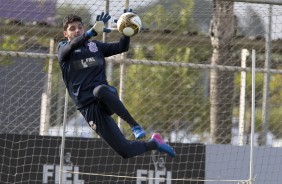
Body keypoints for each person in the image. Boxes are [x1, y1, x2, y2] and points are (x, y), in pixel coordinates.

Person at [57, 10, 176, 159]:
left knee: (99, 90)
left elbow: (122, 47)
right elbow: (72, 45)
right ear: (65, 34)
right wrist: (90, 32)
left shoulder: (95, 46)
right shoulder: (63, 50)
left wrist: (127, 31)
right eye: (72, 28)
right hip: (89, 108)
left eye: (79, 27)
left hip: (105, 96)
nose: (77, 30)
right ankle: (155, 143)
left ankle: (134, 125)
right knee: (125, 151)